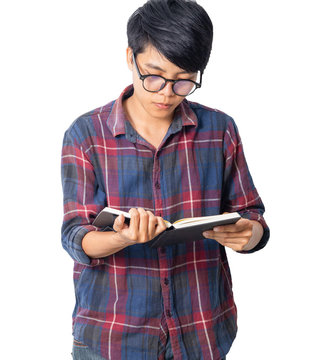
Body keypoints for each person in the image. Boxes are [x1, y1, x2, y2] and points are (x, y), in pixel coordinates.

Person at [60, 0, 269, 359]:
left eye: (184, 80)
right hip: (113, 335)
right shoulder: (86, 134)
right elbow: (75, 237)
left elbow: (252, 215)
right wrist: (122, 237)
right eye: (153, 75)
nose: (166, 93)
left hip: (202, 330)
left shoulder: (219, 130)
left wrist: (250, 235)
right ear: (131, 57)